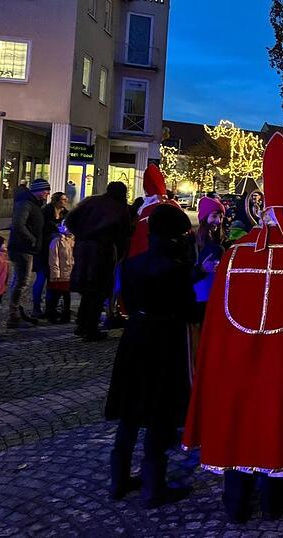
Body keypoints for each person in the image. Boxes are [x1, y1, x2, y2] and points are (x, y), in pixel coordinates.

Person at [183, 133, 283, 521]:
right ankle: (274, 502)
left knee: (237, 425)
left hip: (233, 369)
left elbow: (216, 322)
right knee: (276, 428)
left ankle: (235, 505)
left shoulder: (232, 257)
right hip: (282, 373)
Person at [104, 204, 196, 509]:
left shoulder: (133, 264)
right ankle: (153, 488)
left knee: (130, 413)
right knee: (160, 413)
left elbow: (127, 301)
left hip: (135, 337)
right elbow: (187, 309)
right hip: (164, 341)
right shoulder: (177, 267)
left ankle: (118, 481)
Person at [65, 181, 132, 341]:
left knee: (88, 289)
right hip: (102, 250)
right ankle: (90, 328)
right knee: (98, 290)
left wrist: (81, 234)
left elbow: (70, 219)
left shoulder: (91, 201)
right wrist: (121, 255)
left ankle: (82, 324)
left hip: (83, 248)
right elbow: (124, 235)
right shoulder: (120, 208)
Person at [8, 179, 50, 328]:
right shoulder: (25, 203)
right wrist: (32, 239)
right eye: (46, 190)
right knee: (21, 282)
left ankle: (17, 311)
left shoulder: (34, 204)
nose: (47, 193)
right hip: (22, 248)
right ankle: (14, 315)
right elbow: (18, 224)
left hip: (26, 248)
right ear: (38, 190)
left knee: (19, 281)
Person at [32, 191, 68, 317]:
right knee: (41, 278)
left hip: (57, 250)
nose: (66, 201)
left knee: (53, 279)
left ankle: (50, 307)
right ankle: (36, 307)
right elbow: (41, 229)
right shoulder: (46, 212)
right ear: (57, 200)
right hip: (43, 249)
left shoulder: (64, 213)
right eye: (63, 199)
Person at [192, 197, 226, 322]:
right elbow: (182, 274)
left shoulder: (220, 244)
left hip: (215, 299)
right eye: (214, 216)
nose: (218, 221)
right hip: (197, 300)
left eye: (221, 217)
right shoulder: (192, 241)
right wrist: (201, 269)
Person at [44, 219, 74, 323]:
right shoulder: (56, 241)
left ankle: (66, 315)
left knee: (66, 295)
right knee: (56, 295)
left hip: (68, 273)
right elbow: (53, 258)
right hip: (59, 273)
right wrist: (55, 273)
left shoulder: (71, 240)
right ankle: (52, 315)